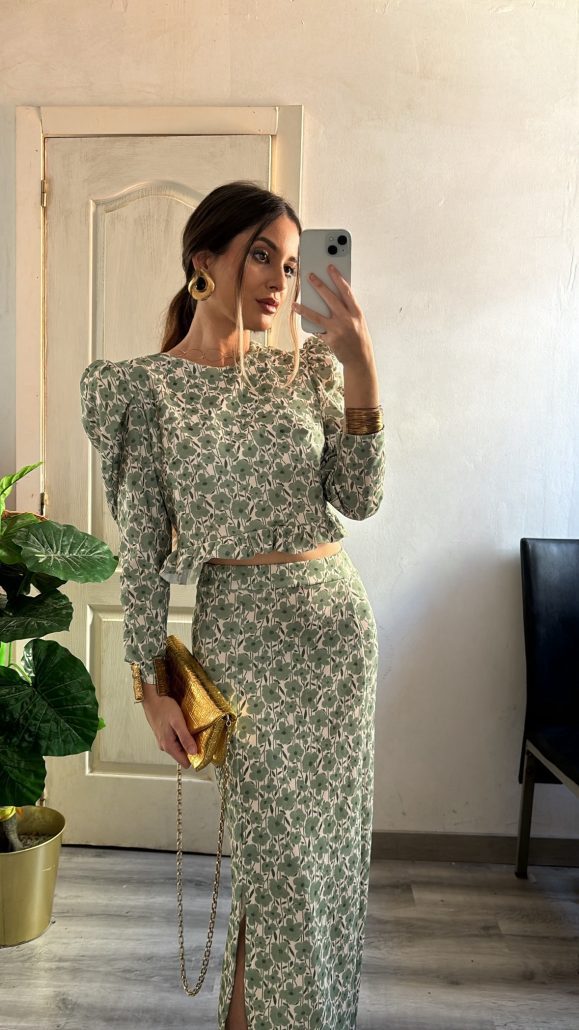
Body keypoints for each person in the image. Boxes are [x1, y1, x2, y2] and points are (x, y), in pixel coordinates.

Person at [79, 180, 385, 1030]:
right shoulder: (145, 391)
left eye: (289, 265)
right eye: (261, 256)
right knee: (274, 861)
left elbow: (359, 499)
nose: (279, 281)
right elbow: (144, 552)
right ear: (203, 260)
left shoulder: (306, 370)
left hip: (335, 633)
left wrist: (360, 364)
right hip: (244, 634)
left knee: (321, 865)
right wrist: (149, 687)